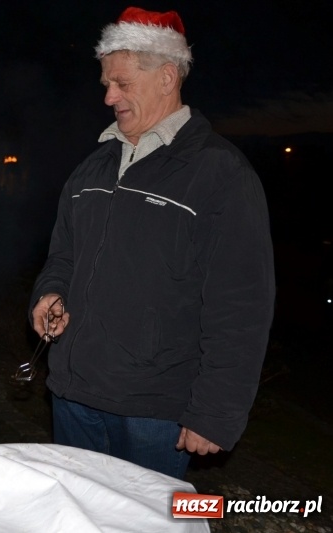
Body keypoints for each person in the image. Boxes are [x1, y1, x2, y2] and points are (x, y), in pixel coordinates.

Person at [29, 7, 275, 479]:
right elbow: (62, 255)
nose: (108, 96)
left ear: (166, 78)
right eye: (105, 83)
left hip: (154, 413)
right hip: (73, 395)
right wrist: (50, 292)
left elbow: (241, 305)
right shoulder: (92, 169)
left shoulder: (220, 175)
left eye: (120, 83)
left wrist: (216, 412)